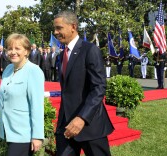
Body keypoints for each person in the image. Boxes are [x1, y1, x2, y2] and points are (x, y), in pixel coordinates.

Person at [0, 34, 45, 156]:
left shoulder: (34, 71)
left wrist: (37, 136)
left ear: (26, 51)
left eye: (17, 48)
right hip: (8, 130)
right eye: (10, 49)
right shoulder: (8, 69)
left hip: (23, 134)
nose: (13, 52)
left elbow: (37, 106)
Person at [53, 10, 113, 156]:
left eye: (59, 28)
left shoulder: (90, 50)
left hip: (90, 125)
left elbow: (98, 88)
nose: (55, 32)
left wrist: (82, 118)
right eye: (54, 28)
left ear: (73, 26)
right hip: (66, 126)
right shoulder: (62, 55)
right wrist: (60, 122)